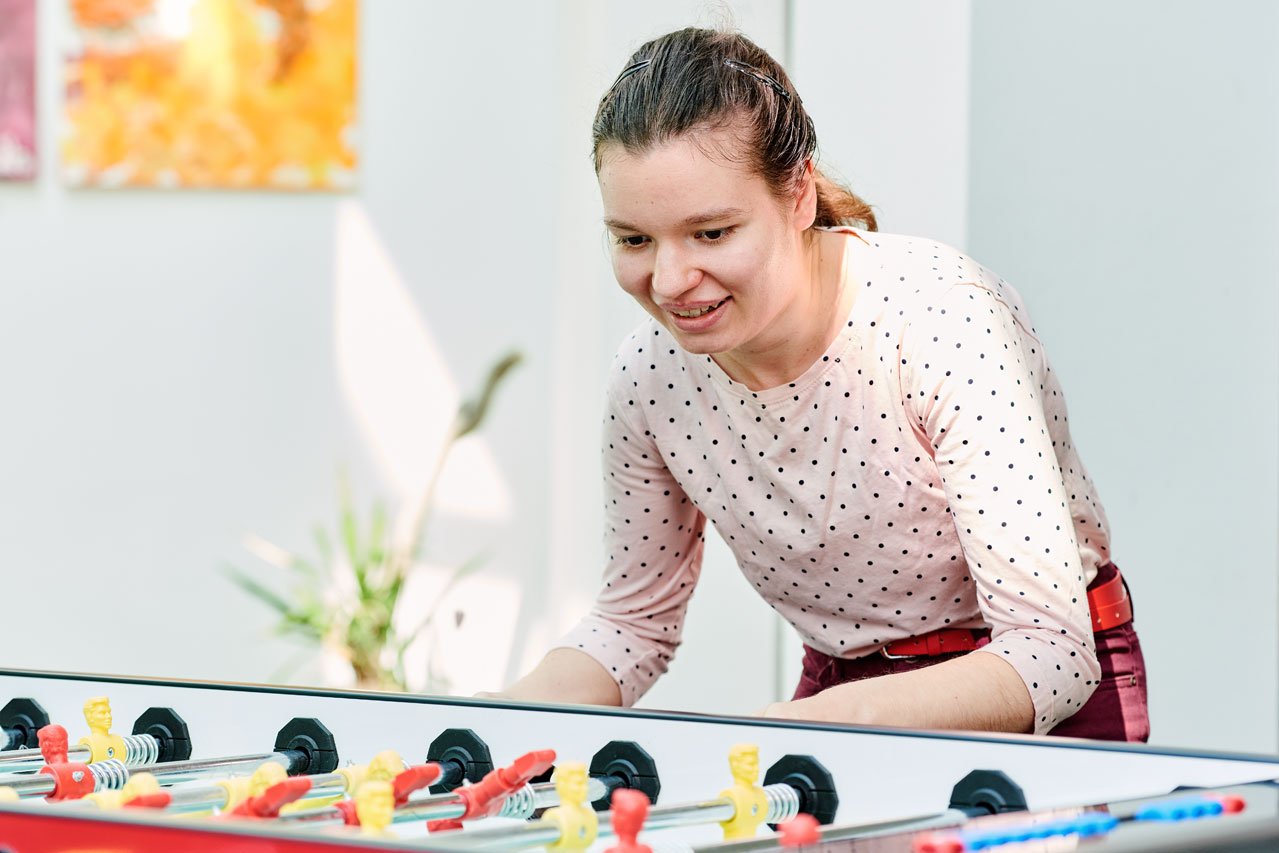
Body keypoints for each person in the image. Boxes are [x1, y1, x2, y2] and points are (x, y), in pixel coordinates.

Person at [490, 27, 1148, 741]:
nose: (670, 280)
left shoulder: (940, 319)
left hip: (1028, 692)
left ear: (798, 193)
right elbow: (631, 621)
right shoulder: (650, 378)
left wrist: (797, 727)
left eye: (711, 233)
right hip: (838, 694)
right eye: (633, 239)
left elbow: (1050, 652)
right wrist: (478, 725)